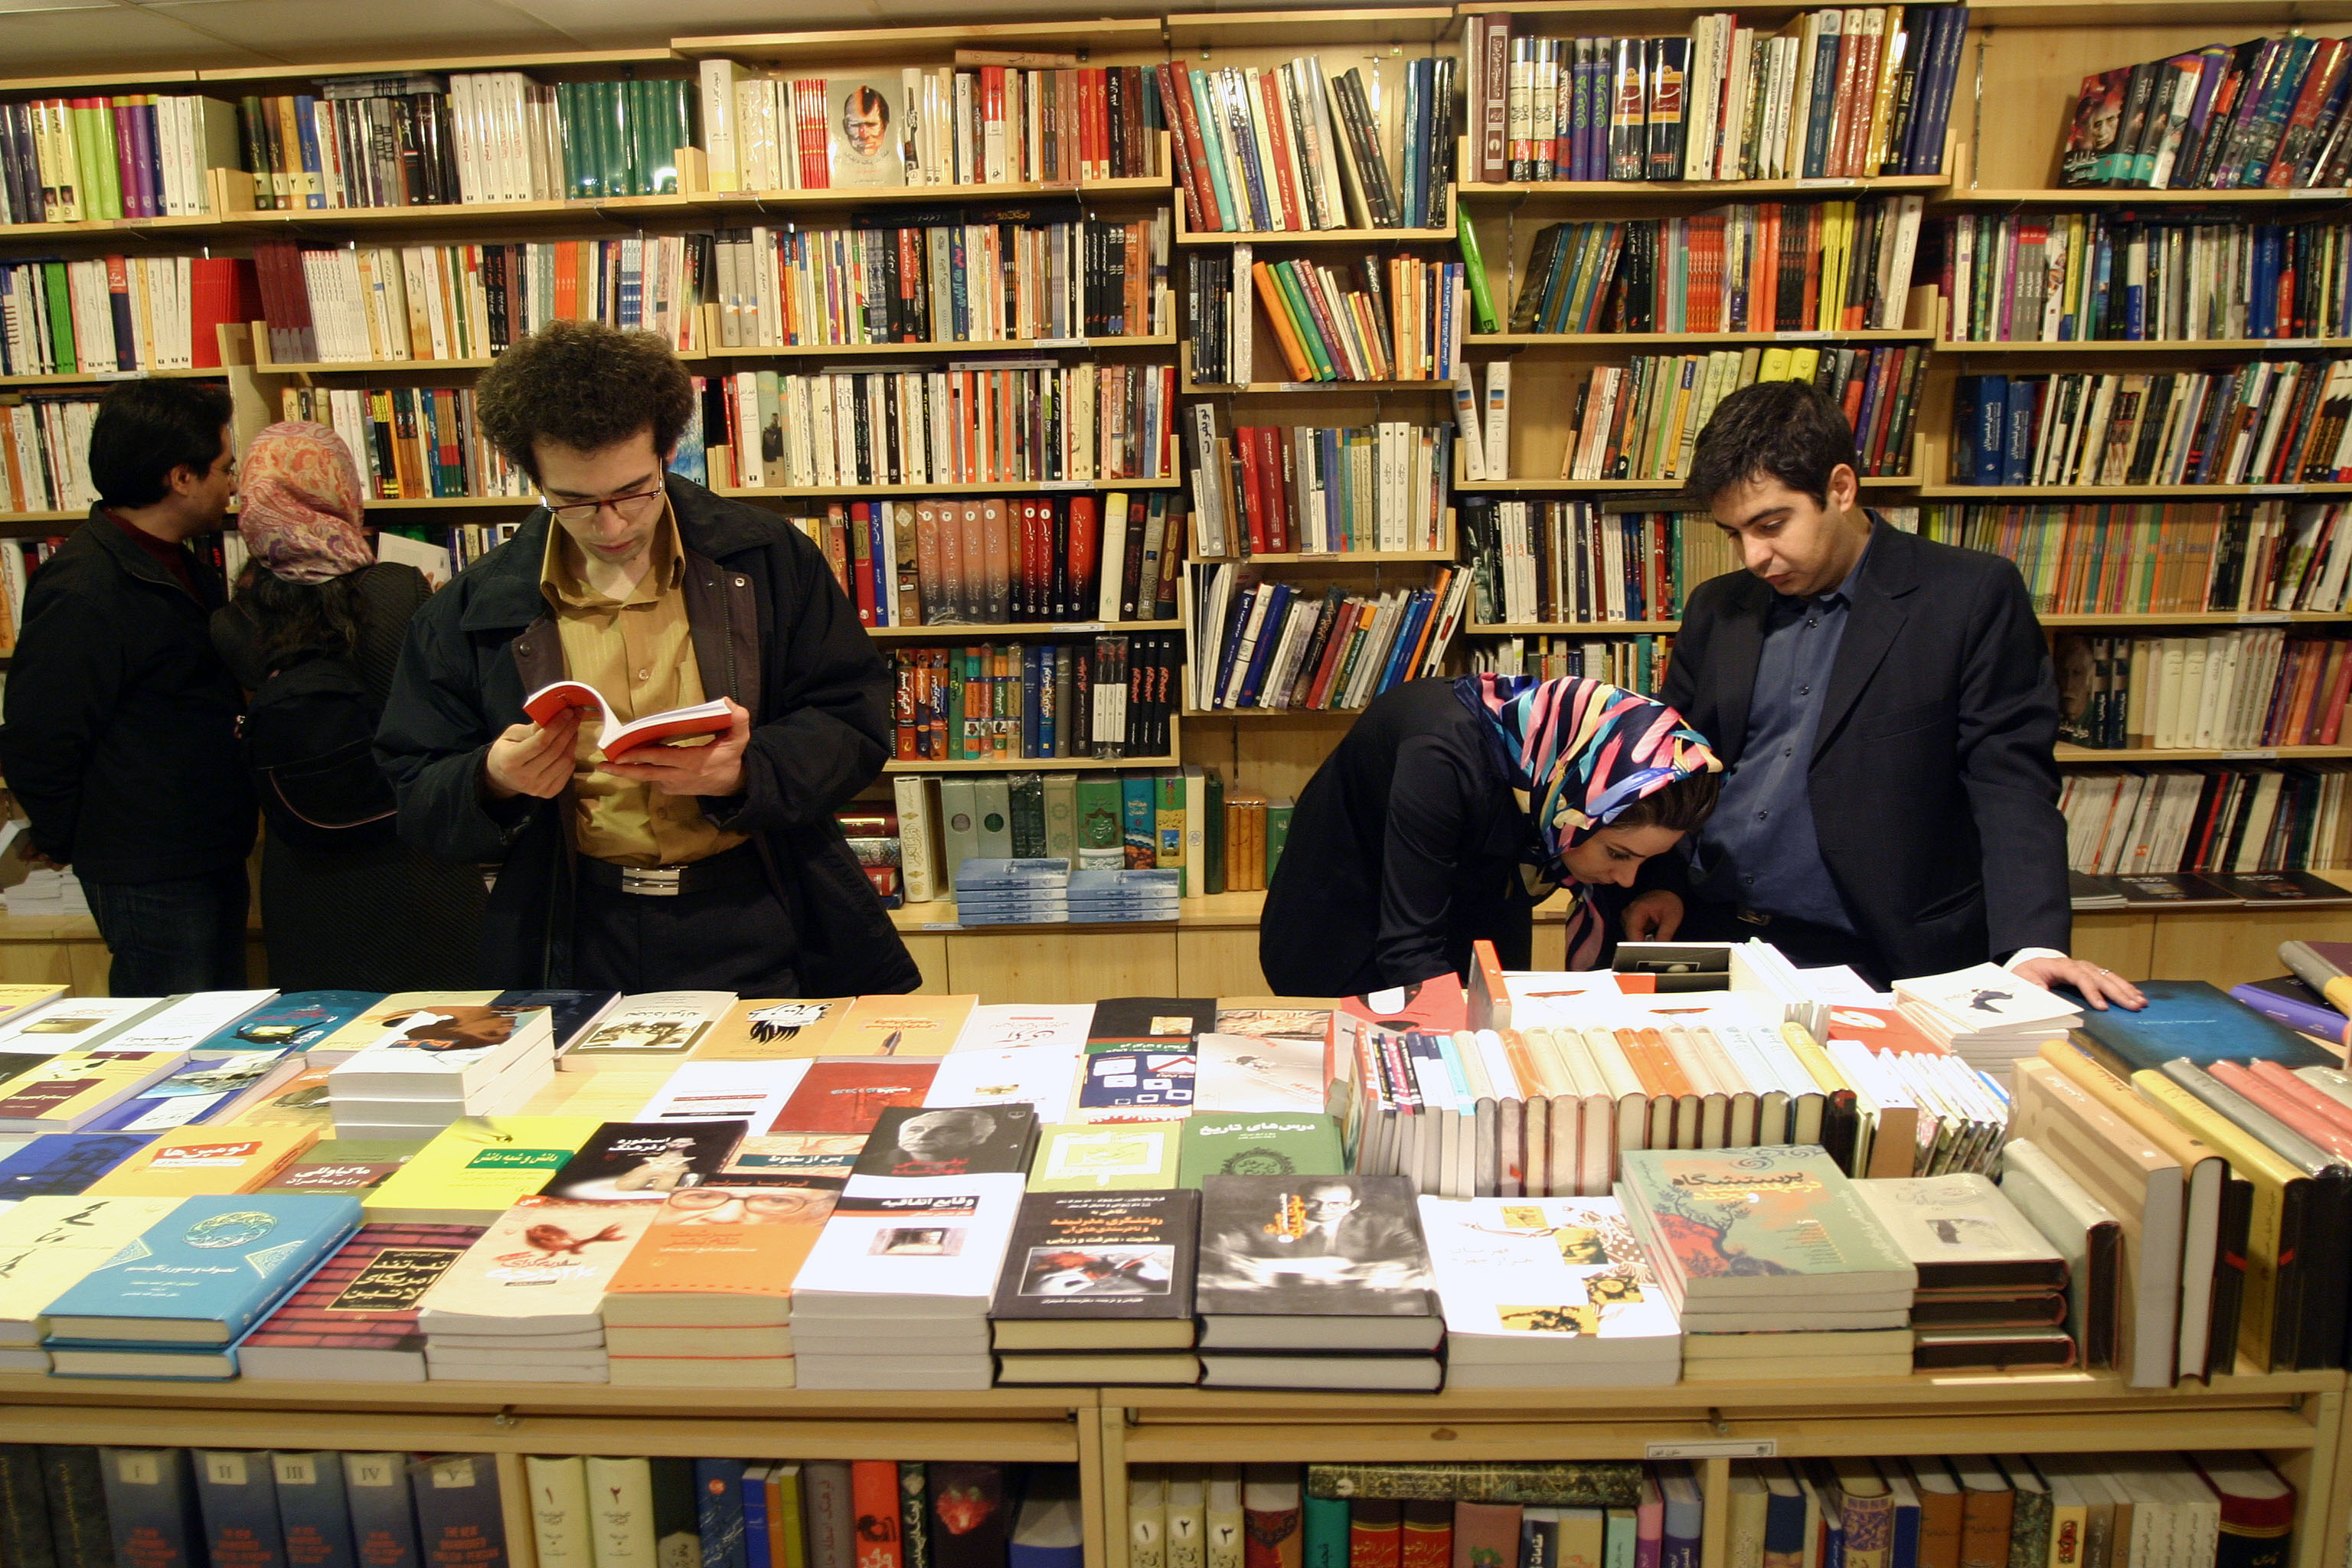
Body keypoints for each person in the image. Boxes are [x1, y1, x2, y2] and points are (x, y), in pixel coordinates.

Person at [377, 319, 919, 995]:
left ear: (666, 454)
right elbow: (414, 791)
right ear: (532, 477)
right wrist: (492, 778)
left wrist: (747, 772)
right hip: (572, 930)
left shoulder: (766, 559)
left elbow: (855, 721)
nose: (611, 525)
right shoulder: (472, 607)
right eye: (573, 501)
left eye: (634, 491)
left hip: (760, 911)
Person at [1622, 380, 2145, 1007]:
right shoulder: (1719, 607)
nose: (1755, 556)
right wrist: (1663, 881)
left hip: (1883, 955)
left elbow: (2008, 781)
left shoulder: (1968, 597)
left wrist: (2031, 946)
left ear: (1840, 489)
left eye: (1771, 524)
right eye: (1735, 534)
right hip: (1714, 935)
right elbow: (1677, 766)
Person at [211, 422, 485, 991]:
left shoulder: (231, 622)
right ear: (339, 490)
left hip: (303, 873)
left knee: (324, 1052)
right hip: (414, 866)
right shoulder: (398, 590)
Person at [0, 381, 256, 993]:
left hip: (202, 848)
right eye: (224, 467)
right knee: (172, 1038)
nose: (235, 484)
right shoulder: (86, 587)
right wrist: (65, 836)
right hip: (148, 867)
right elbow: (41, 735)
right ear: (181, 477)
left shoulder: (179, 561)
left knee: (218, 1035)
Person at [1260, 675, 1723, 998]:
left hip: (1478, 906)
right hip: (1348, 941)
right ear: (1576, 810)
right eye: (1620, 855)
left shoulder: (1565, 753)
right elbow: (1409, 948)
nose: (1626, 880)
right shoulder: (1440, 758)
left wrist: (1657, 884)